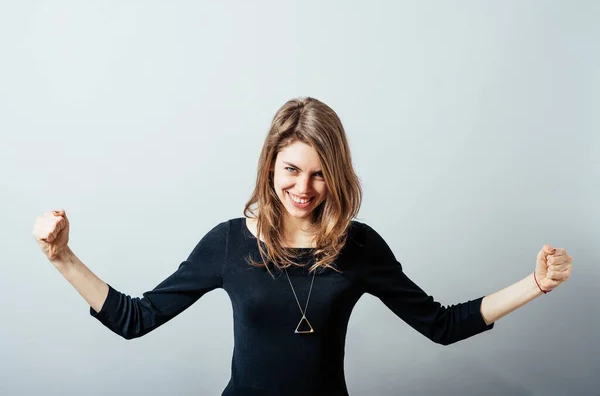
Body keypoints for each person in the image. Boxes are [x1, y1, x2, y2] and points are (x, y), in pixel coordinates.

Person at [32, 97, 573, 396]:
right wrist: (62, 258)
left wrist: (536, 285)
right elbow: (137, 318)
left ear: (335, 177)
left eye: (319, 174)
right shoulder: (228, 243)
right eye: (291, 169)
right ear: (271, 165)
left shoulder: (357, 248)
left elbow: (442, 326)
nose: (303, 188)